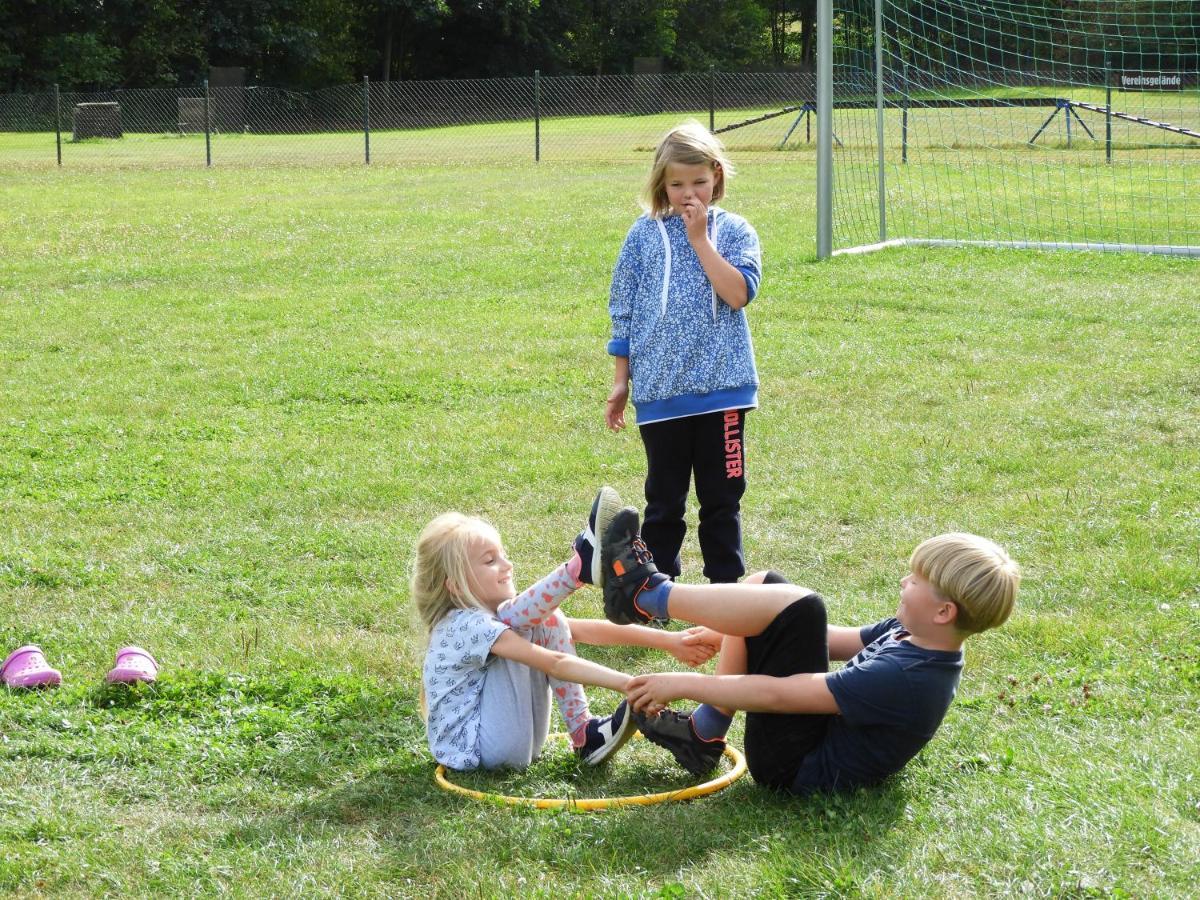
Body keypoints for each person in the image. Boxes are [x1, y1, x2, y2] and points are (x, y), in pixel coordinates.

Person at [599, 507, 1020, 793]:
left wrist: (684, 683)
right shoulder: (911, 634)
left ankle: (647, 594)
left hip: (793, 767)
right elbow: (826, 637)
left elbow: (779, 694)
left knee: (799, 605)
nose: (903, 583)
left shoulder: (906, 677)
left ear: (944, 612)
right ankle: (702, 734)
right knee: (768, 587)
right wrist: (725, 629)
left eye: (915, 580)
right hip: (804, 737)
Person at [412, 488, 722, 772]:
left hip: (510, 743)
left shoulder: (491, 623)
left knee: (545, 618)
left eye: (503, 555)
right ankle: (578, 567)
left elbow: (585, 631)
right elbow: (554, 663)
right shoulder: (464, 623)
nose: (507, 566)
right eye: (490, 561)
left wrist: (669, 640)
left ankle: (584, 733)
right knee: (524, 618)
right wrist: (632, 684)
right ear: (454, 586)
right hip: (483, 750)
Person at [604, 121, 763, 584]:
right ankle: (656, 592)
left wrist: (699, 240)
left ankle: (728, 594)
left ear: (716, 175)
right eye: (676, 184)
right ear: (661, 183)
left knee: (721, 500)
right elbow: (623, 307)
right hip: (660, 392)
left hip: (723, 392)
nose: (687, 192)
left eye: (698, 181)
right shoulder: (643, 234)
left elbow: (738, 294)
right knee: (664, 500)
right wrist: (621, 379)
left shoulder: (735, 231)